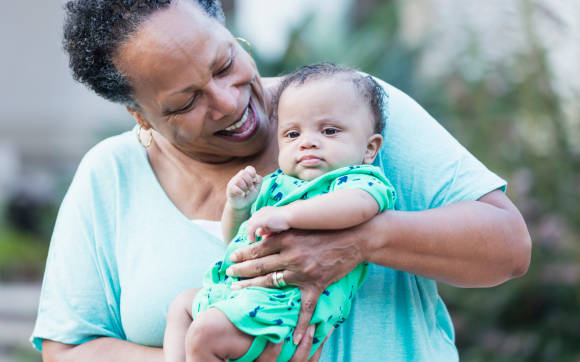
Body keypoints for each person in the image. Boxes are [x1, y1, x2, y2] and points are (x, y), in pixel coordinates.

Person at [31, 0, 532, 361]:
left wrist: (363, 240)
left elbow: (508, 248)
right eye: (186, 102)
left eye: (225, 64)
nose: (228, 101)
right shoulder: (110, 176)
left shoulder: (349, 110)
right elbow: (68, 347)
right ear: (139, 115)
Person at [164, 63, 396, 361]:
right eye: (292, 134)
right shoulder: (277, 184)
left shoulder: (357, 180)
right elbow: (237, 240)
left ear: (370, 148)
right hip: (239, 294)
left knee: (205, 333)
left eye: (329, 130)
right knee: (181, 306)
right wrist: (238, 207)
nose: (307, 142)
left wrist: (289, 216)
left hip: (285, 309)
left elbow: (359, 208)